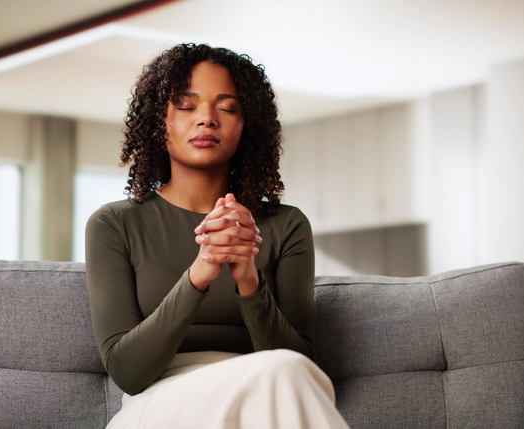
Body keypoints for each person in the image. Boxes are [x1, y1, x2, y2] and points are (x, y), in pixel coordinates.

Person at [86, 43, 349, 429]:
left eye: (226, 107)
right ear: (160, 122)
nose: (207, 119)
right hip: (159, 403)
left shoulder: (286, 225)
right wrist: (200, 273)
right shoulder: (114, 224)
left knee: (286, 371)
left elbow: (301, 362)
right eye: (186, 106)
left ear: (247, 126)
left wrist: (248, 277)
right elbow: (128, 372)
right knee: (284, 373)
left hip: (269, 398)